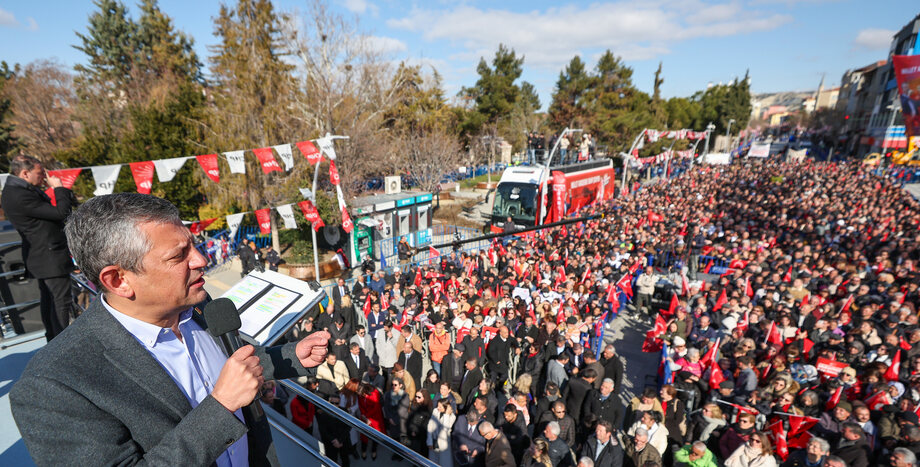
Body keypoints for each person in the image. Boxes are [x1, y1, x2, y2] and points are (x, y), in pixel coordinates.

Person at [10, 193, 330, 465]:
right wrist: (220, 408)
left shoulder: (199, 302)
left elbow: (233, 364)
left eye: (192, 246)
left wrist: (291, 355)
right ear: (118, 280)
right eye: (179, 256)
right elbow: (226, 395)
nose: (201, 260)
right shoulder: (52, 385)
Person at [1, 155, 75, 340]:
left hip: (43, 254)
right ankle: (60, 344)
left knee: (50, 300)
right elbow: (61, 213)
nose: (44, 176)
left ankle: (53, 340)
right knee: (60, 302)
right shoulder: (20, 195)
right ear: (25, 173)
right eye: (40, 173)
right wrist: (58, 188)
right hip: (48, 256)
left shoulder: (18, 190)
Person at [427, 398, 456, 467]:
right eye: (437, 405)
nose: (438, 408)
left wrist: (446, 414)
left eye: (440, 406)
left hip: (443, 445)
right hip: (433, 442)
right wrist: (429, 441)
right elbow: (430, 426)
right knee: (432, 463)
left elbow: (445, 430)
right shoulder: (435, 411)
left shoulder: (452, 417)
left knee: (444, 464)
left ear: (446, 407)